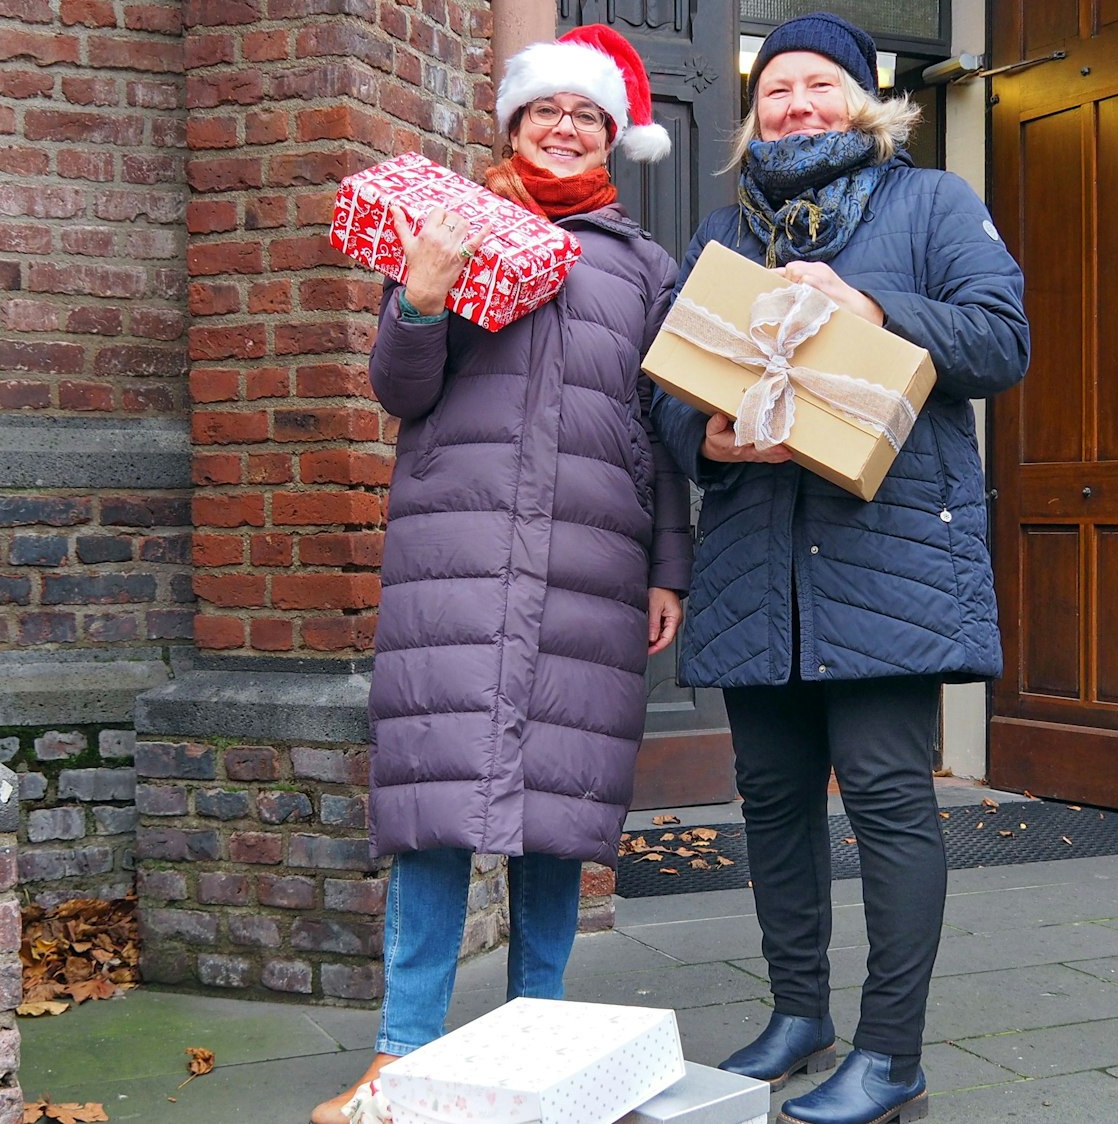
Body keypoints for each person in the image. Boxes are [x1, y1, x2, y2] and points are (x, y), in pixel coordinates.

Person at [649, 12, 1029, 1124]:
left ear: (864, 101)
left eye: (820, 85)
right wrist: (703, 441)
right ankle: (799, 1013)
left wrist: (874, 304)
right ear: (752, 112)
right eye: (776, 90)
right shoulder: (722, 235)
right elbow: (666, 389)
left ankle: (891, 1053)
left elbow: (1000, 341)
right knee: (770, 798)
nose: (797, 104)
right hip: (758, 560)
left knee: (886, 798)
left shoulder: (931, 205)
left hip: (889, 560)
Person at [309, 25, 691, 1124]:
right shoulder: (455, 227)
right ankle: (400, 1054)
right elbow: (400, 389)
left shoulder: (643, 267)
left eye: (585, 116)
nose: (563, 128)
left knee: (557, 817)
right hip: (460, 552)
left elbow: (658, 433)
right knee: (433, 807)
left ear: (612, 137)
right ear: (514, 124)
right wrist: (420, 297)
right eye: (544, 112)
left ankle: (541, 1042)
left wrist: (669, 565)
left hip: (591, 557)